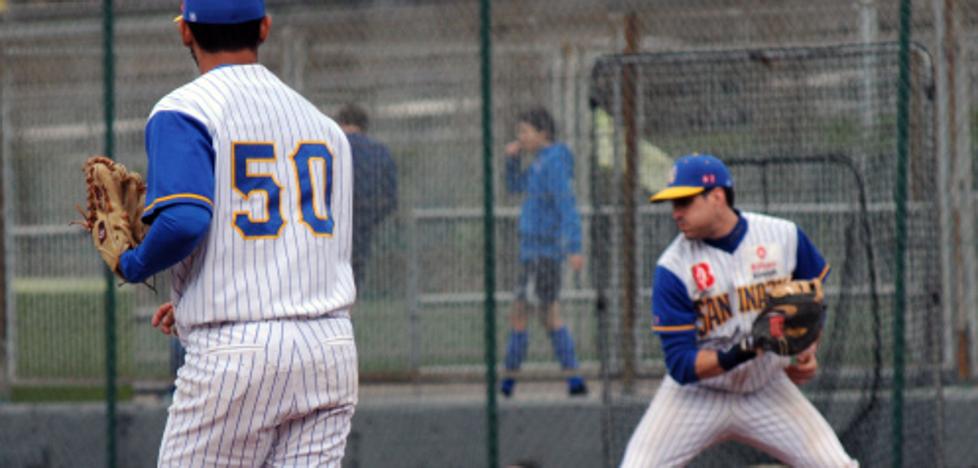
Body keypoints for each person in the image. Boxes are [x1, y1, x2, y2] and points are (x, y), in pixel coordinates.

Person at [120, 1, 358, 465]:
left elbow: (183, 220)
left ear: (186, 33)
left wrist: (134, 263)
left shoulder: (184, 110)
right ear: (264, 28)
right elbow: (310, 246)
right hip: (330, 350)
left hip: (239, 358)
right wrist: (202, 292)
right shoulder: (326, 129)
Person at [619, 154, 856, 467]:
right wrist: (743, 351)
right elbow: (680, 364)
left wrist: (807, 349)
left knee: (836, 465)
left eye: (685, 202)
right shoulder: (673, 267)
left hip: (766, 388)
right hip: (696, 396)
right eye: (673, 204)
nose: (676, 213)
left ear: (717, 197)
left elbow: (813, 300)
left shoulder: (783, 236)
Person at [500, 106, 587, 397]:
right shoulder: (538, 163)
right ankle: (573, 380)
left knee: (529, 313)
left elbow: (567, 205)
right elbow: (515, 186)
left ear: (543, 133)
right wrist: (511, 161)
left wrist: (574, 246)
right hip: (532, 252)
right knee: (544, 315)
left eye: (525, 131)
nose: (521, 137)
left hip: (543, 254)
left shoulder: (554, 163)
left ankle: (508, 382)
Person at [337, 104, 397, 291]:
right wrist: (369, 219)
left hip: (331, 229)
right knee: (353, 283)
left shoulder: (332, 148)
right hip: (363, 230)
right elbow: (390, 198)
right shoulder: (380, 152)